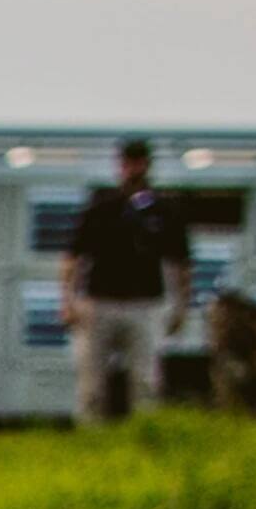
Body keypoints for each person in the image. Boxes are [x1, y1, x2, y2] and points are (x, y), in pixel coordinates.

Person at [61, 136, 190, 422]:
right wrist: (67, 300)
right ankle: (91, 436)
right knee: (91, 382)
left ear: (147, 165)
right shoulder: (101, 206)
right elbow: (74, 257)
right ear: (120, 166)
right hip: (99, 303)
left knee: (145, 381)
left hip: (144, 305)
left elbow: (180, 263)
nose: (133, 168)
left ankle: (144, 433)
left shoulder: (164, 210)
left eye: (139, 162)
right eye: (128, 163)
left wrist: (181, 306)